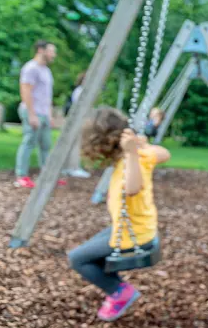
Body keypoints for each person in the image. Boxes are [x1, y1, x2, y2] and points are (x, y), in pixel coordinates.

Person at [68, 107, 171, 322]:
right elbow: (164, 154)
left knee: (77, 258)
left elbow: (133, 187)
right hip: (137, 228)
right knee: (93, 248)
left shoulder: (131, 160)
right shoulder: (138, 155)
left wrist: (134, 152)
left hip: (135, 237)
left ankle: (119, 292)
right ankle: (117, 287)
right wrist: (144, 146)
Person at [14, 40, 66, 188]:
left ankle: (47, 176)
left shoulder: (46, 71)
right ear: (41, 50)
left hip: (43, 113)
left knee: (46, 145)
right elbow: (26, 91)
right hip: (33, 111)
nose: (54, 54)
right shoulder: (31, 68)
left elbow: (46, 95)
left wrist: (49, 115)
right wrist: (31, 114)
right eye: (51, 51)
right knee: (29, 142)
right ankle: (21, 176)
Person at [62, 71, 91, 178]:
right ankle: (73, 167)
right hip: (77, 119)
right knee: (76, 144)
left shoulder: (78, 91)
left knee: (72, 143)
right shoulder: (81, 92)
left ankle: (67, 167)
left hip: (76, 119)